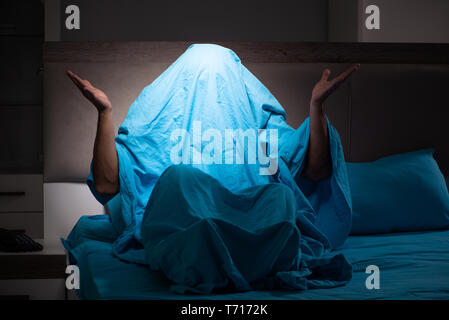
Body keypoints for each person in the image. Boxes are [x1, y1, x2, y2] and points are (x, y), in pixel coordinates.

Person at [66, 44, 359, 293]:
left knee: (279, 196)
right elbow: (106, 185)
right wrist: (104, 113)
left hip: (247, 221)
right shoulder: (157, 125)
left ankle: (226, 252)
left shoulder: (259, 128)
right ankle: (207, 249)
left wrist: (316, 107)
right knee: (178, 178)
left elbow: (316, 172)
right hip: (190, 221)